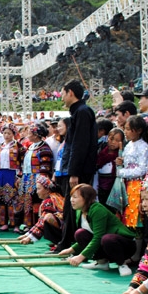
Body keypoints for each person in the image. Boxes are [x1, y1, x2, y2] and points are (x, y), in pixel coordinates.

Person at [55, 80, 98, 253]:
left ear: (70, 92)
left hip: (78, 171)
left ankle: (71, 245)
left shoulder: (82, 112)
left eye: (63, 93)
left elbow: (80, 145)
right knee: (70, 209)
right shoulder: (78, 112)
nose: (62, 97)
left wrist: (74, 173)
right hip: (72, 169)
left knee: (74, 209)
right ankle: (67, 244)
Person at [58, 184, 136, 276]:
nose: (71, 200)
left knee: (106, 239)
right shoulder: (79, 211)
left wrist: (80, 257)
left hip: (124, 245)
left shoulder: (97, 210)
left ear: (86, 198)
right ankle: (102, 263)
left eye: (75, 197)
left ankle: (122, 264)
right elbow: (90, 235)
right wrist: (71, 250)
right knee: (80, 234)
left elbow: (98, 237)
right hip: (105, 243)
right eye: (71, 197)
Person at [18, 123, 53, 231]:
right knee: (27, 201)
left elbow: (45, 166)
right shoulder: (31, 147)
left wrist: (41, 180)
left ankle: (39, 225)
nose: (28, 134)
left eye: (30, 132)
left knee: (37, 201)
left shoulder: (44, 148)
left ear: (36, 135)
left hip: (37, 179)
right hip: (27, 177)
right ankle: (29, 224)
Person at [0, 123, 26, 232]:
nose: (7, 135)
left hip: (13, 173)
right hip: (0, 173)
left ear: (14, 134)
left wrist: (20, 175)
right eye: (5, 133)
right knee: (1, 199)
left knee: (14, 199)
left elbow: (23, 162)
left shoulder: (19, 146)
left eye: (9, 133)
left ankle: (15, 224)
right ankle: (3, 223)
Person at [18, 175, 64, 247]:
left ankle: (59, 242)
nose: (37, 192)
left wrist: (30, 238)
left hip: (64, 229)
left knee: (48, 218)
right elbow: (40, 221)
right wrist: (27, 235)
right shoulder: (54, 196)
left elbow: (42, 222)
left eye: (39, 189)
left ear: (47, 190)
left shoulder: (49, 200)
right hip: (64, 228)